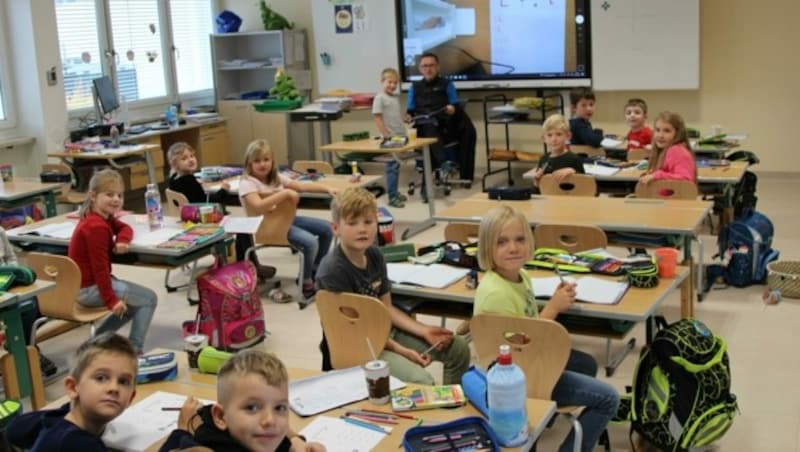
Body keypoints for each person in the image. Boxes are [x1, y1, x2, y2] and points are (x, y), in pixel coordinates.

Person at [473, 205, 619, 452]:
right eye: (502, 242)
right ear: (487, 248)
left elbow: (527, 328)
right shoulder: (496, 294)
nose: (513, 248)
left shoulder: (521, 276)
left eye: (520, 239)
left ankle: (541, 420)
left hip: (529, 363)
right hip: (519, 378)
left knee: (587, 364)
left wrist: (554, 303)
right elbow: (522, 351)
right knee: (608, 398)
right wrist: (553, 308)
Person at [316, 187, 470, 384]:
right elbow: (358, 331)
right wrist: (403, 351)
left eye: (368, 222)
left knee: (458, 349)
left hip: (384, 333)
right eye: (352, 223)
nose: (362, 229)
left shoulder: (374, 254)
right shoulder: (332, 271)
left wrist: (423, 330)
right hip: (358, 344)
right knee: (422, 381)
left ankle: (451, 407)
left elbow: (386, 308)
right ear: (335, 228)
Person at [159, 349, 325, 452]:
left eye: (279, 408)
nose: (270, 420)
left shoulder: (260, 438)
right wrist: (182, 432)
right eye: (252, 407)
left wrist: (296, 441)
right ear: (220, 417)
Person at [68, 169, 157, 353]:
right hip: (89, 289)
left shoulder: (100, 217)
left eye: (119, 195)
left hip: (84, 286)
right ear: (93, 196)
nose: (116, 199)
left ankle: (94, 344)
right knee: (149, 299)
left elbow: (124, 227)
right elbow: (99, 268)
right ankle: (134, 350)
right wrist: (111, 300)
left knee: (134, 303)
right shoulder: (97, 227)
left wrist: (123, 239)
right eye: (109, 194)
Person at [239, 139, 335, 305]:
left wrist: (327, 189)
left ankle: (314, 272)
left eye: (266, 159)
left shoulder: (275, 177)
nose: (262, 164)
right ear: (249, 163)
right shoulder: (247, 182)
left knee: (327, 229)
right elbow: (259, 206)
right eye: (257, 161)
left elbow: (300, 186)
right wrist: (285, 194)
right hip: (268, 227)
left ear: (272, 161)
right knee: (310, 242)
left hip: (286, 220)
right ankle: (306, 283)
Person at [6, 333, 138, 451]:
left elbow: (14, 429)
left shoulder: (60, 418)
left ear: (131, 397)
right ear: (73, 387)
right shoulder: (80, 444)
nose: (114, 388)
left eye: (123, 382)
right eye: (101, 378)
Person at [166, 142, 276, 280]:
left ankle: (243, 263)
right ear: (174, 165)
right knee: (244, 228)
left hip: (185, 222)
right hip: (204, 222)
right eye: (184, 158)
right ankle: (248, 266)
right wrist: (223, 190)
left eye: (192, 156)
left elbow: (195, 197)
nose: (191, 160)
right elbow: (209, 204)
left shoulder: (173, 180)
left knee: (238, 224)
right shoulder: (189, 180)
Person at [406, 52, 476, 189]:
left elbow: (455, 105)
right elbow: (410, 110)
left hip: (444, 123)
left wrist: (452, 109)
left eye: (431, 65)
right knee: (428, 127)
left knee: (468, 129)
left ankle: (463, 175)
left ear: (438, 67)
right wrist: (408, 116)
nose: (428, 69)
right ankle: (443, 163)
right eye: (424, 66)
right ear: (420, 69)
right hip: (423, 125)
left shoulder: (447, 84)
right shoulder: (414, 87)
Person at [372, 67, 408, 208]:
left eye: (395, 83)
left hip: (399, 136)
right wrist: (386, 136)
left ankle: (395, 191)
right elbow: (377, 118)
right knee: (391, 167)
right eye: (389, 82)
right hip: (389, 138)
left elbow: (394, 117)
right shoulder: (379, 98)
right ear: (382, 81)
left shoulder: (394, 98)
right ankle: (392, 196)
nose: (392, 85)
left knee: (396, 165)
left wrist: (404, 120)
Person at [639, 111, 697, 185]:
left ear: (678, 134)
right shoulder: (664, 149)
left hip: (673, 196)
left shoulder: (676, 150)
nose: (660, 135)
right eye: (657, 130)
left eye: (667, 131)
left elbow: (686, 181)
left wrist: (657, 175)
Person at [531, 114, 585, 190]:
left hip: (569, 200)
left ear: (568, 136)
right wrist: (536, 182)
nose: (554, 139)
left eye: (559, 134)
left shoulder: (573, 159)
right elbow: (538, 190)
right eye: (549, 135)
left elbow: (585, 185)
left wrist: (573, 171)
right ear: (544, 139)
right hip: (548, 199)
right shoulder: (543, 159)